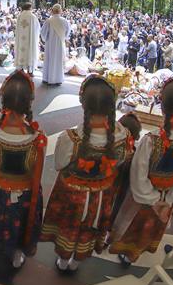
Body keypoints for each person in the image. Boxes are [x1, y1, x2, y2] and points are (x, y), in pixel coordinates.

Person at [41, 75, 132, 273]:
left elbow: (59, 165)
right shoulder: (123, 136)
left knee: (69, 226)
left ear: (83, 105)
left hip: (72, 196)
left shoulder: (71, 139)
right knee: (91, 229)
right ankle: (76, 263)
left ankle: (63, 261)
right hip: (102, 196)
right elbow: (122, 161)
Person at [109, 77, 173, 265]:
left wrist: (152, 199)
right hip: (167, 200)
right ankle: (134, 254)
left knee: (133, 225)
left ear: (162, 106)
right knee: (150, 229)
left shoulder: (150, 141)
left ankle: (127, 254)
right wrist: (168, 199)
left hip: (143, 200)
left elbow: (138, 174)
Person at [0, 70, 47, 269]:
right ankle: (17, 254)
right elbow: (35, 170)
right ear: (29, 103)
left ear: (4, 99)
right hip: (25, 194)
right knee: (20, 225)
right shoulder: (37, 138)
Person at [40, 4, 70, 86]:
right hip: (60, 44)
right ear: (60, 11)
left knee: (50, 60)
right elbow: (67, 33)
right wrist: (63, 37)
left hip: (50, 43)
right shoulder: (65, 21)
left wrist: (45, 39)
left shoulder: (49, 20)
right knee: (59, 61)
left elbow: (43, 33)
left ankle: (47, 79)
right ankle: (58, 79)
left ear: (52, 11)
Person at [14, 3, 40, 75]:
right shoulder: (32, 16)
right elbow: (37, 28)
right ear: (30, 8)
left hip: (21, 39)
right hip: (29, 39)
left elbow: (17, 29)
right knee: (30, 52)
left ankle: (20, 69)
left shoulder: (19, 16)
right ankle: (29, 71)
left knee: (21, 52)